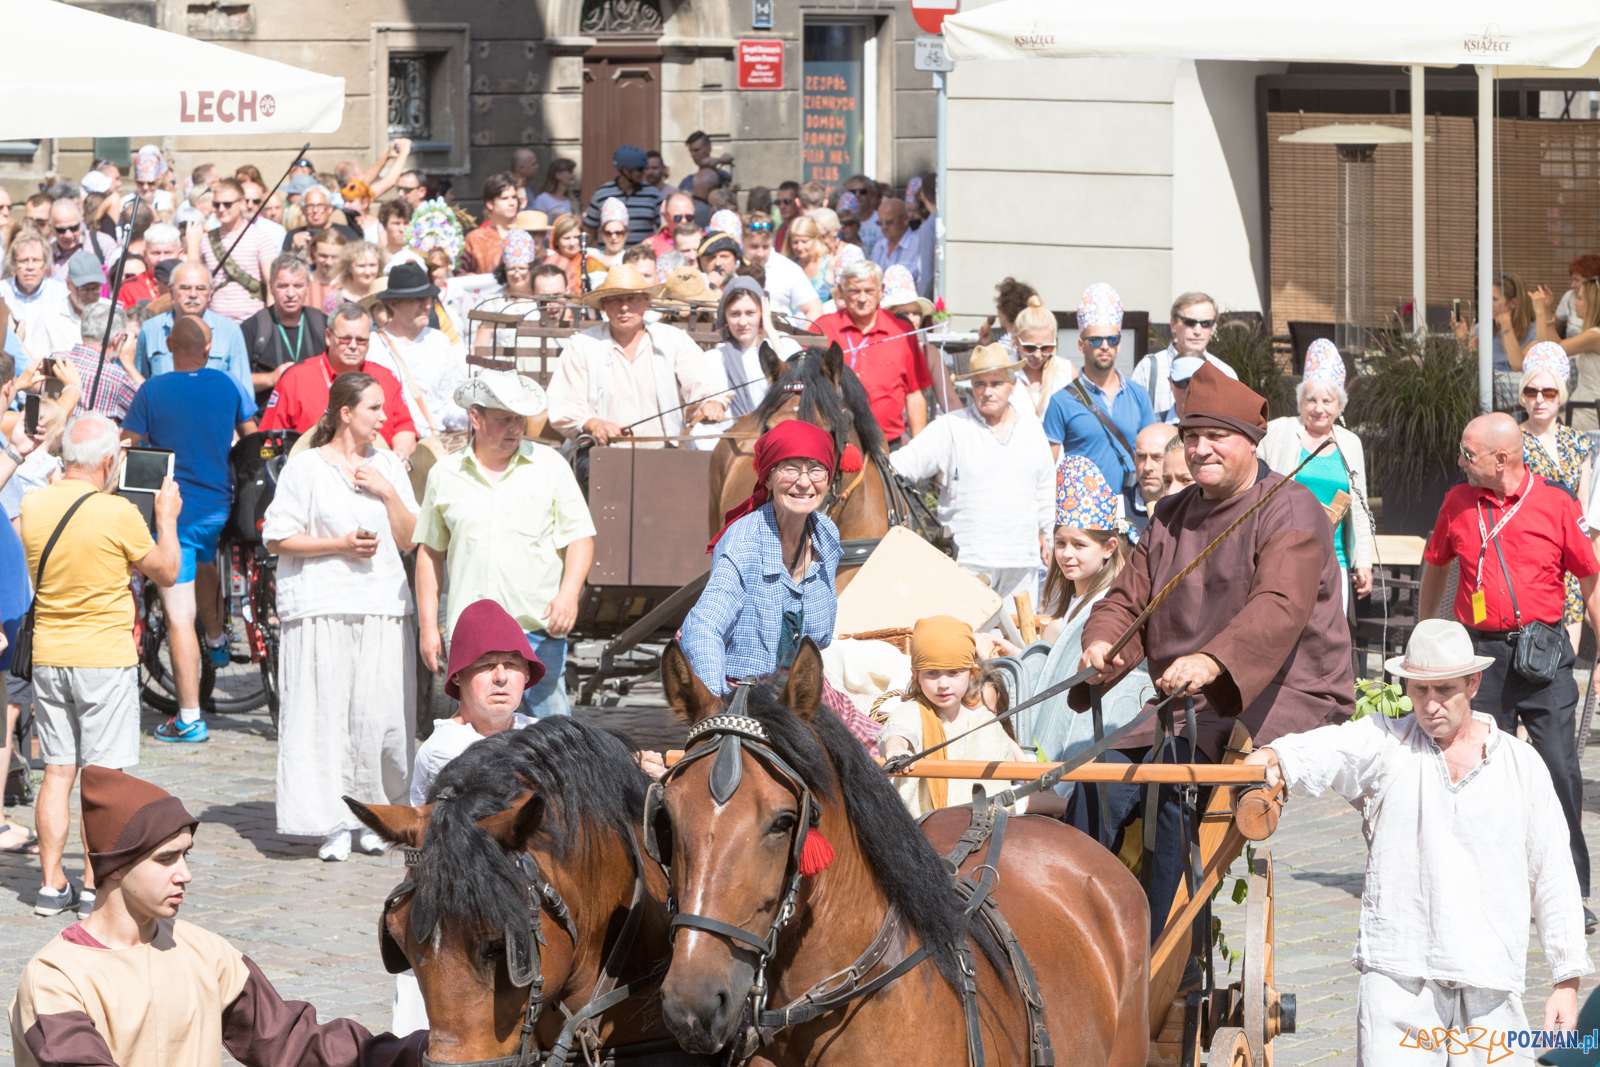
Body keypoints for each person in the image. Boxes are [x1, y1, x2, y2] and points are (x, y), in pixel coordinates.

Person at [1073, 363, 1354, 931]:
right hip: (1188, 704)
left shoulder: (1291, 509)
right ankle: (1085, 934)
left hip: (1279, 691)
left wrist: (1211, 661)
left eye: (1215, 437)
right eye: (1191, 437)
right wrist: (1103, 643)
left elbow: (1278, 607)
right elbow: (1127, 599)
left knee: (1176, 789)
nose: (1200, 449)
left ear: (1251, 441)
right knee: (1096, 780)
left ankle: (1155, 953)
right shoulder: (1172, 513)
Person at [1243, 619, 1591, 1054]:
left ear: (1473, 682)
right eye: (1419, 689)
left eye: (1443, 689)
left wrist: (1566, 981)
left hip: (1490, 982)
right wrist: (1274, 758)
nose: (1430, 704)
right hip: (1399, 974)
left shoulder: (1521, 766)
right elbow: (1328, 749)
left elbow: (1554, 874)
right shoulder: (1386, 744)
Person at [10, 765, 430, 1067]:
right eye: (166, 859)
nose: (185, 874)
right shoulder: (54, 978)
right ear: (115, 867)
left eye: (185, 856)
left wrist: (420, 1054)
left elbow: (292, 1043)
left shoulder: (204, 953)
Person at [1419, 410, 1600, 929]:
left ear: (1502, 459)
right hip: (1479, 656)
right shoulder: (1458, 503)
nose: (1460, 461)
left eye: (1468, 453)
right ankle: (1477, 885)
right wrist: (1425, 631)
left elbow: (1590, 580)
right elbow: (1436, 566)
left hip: (1543, 656)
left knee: (1559, 771)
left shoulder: (1556, 505)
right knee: (1474, 769)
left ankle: (1569, 892)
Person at [21, 414, 182, 915]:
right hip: (103, 656)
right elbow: (168, 572)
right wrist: (168, 518)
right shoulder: (117, 514)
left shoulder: (34, 503)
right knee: (103, 776)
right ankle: (93, 882)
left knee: (57, 771)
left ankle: (50, 885)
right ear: (110, 462)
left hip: (50, 652)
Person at [262, 371, 419, 861]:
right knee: (323, 717)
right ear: (346, 413)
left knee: (379, 717)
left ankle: (374, 815)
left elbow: (411, 537)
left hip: (380, 604)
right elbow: (276, 536)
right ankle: (329, 821)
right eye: (374, 408)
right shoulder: (305, 467)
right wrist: (340, 545)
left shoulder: (389, 463)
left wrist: (387, 491)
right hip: (321, 605)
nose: (384, 417)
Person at [682, 421, 875, 756]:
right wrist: (714, 709)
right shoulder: (745, 540)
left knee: (876, 751)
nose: (804, 482)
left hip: (793, 685)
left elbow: (820, 636)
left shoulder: (825, 534)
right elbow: (705, 625)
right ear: (768, 478)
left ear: (829, 479)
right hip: (739, 686)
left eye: (816, 469)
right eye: (790, 469)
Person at [416, 372, 594, 719]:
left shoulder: (550, 467)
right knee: (477, 747)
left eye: (519, 419)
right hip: (471, 636)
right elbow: (430, 553)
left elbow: (580, 539)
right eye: (503, 420)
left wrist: (569, 594)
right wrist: (427, 627)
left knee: (553, 742)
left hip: (536, 630)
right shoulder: (445, 474)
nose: (514, 428)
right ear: (476, 418)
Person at [120, 316, 259, 743]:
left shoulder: (152, 390)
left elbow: (127, 445)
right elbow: (252, 439)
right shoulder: (228, 385)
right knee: (205, 564)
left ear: (167, 346)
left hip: (172, 513)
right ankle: (217, 640)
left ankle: (188, 717)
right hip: (218, 507)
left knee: (179, 617)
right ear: (209, 346)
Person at [891, 343, 1053, 603]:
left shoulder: (1032, 429)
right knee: (967, 640)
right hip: (967, 562)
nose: (987, 391)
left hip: (1022, 561)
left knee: (1019, 642)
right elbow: (898, 468)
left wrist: (1049, 534)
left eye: (996, 383)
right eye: (980, 384)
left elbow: (1046, 488)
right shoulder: (950, 427)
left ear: (1012, 385)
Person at [1014, 456, 1148, 765]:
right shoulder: (1070, 602)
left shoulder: (1108, 602)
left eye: (1079, 545)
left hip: (1081, 741)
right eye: (1061, 543)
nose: (1066, 554)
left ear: (1109, 548)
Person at [546, 262, 724, 445]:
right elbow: (564, 404)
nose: (624, 307)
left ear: (646, 301)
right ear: (603, 305)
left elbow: (703, 386)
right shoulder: (582, 345)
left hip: (665, 454)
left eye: (632, 299)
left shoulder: (674, 340)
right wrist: (594, 424)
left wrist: (712, 404)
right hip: (600, 452)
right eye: (615, 299)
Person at [1258, 339, 1374, 610]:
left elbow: (1360, 508)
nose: (1319, 408)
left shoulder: (1351, 443)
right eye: (1311, 400)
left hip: (1336, 560)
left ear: (1340, 406)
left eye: (1327, 401)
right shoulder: (1280, 432)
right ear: (1300, 401)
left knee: (1329, 640)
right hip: (1285, 556)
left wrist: (1364, 563)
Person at [879, 616, 1032, 818]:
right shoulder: (914, 711)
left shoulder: (986, 721)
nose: (943, 684)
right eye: (932, 673)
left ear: (972, 674)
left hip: (987, 829)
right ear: (915, 675)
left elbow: (1009, 775)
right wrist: (897, 749)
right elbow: (898, 732)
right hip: (924, 831)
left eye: (953, 672)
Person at [258, 304, 419, 463]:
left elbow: (404, 428)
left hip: (376, 477)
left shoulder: (386, 377)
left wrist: (400, 453)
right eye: (345, 339)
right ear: (328, 336)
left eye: (361, 340)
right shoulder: (295, 378)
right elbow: (269, 441)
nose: (353, 346)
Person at [1516, 343, 1594, 650]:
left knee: (1567, 663)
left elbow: (1584, 509)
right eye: (1531, 391)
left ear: (1561, 394)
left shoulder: (1577, 442)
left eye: (1548, 392)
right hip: (1531, 564)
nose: (1539, 400)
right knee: (1532, 661)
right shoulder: (1513, 439)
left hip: (1570, 564)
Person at [1042, 283, 1155, 492]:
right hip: (1081, 514)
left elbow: (1155, 455)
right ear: (1081, 345)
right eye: (1095, 340)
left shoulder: (1138, 395)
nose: (1105, 346)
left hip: (1131, 511)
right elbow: (1047, 470)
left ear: (1119, 344)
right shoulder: (1061, 401)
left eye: (1112, 339)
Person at [815, 259, 932, 444]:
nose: (862, 299)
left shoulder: (901, 330)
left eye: (869, 291)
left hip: (887, 442)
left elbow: (914, 393)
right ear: (842, 291)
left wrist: (920, 447)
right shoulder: (822, 328)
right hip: (834, 441)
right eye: (854, 291)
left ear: (881, 291)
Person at [371, 262, 467, 437]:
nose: (426, 305)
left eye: (427, 298)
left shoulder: (439, 341)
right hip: (391, 444)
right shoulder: (373, 347)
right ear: (393, 304)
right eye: (416, 299)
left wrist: (477, 414)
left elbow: (447, 402)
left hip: (434, 443)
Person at [133, 261, 253, 400]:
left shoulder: (230, 332)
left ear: (210, 293)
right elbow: (140, 386)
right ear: (171, 291)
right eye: (185, 288)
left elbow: (244, 393)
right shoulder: (150, 330)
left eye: (201, 288)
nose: (193, 294)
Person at [1129, 292, 1240, 424]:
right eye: (1190, 322)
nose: (1198, 331)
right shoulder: (1148, 368)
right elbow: (1133, 422)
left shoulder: (1225, 373)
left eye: (1206, 323)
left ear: (1212, 328)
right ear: (1173, 324)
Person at [705, 276, 802, 419]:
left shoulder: (786, 346)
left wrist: (770, 329)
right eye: (734, 314)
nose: (743, 322)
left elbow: (795, 380)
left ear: (762, 314)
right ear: (725, 317)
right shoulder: (713, 359)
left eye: (750, 313)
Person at [241, 255, 328, 410]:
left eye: (298, 286)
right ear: (271, 287)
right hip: (268, 424)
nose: (290, 293)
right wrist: (272, 378)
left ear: (308, 287)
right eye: (283, 286)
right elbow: (237, 381)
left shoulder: (323, 324)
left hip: (316, 423)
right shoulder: (253, 327)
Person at [194, 179, 277, 324]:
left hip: (253, 324)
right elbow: (196, 281)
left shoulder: (260, 238)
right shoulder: (206, 240)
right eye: (216, 204)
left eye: (227, 204)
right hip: (215, 324)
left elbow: (272, 284)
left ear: (242, 204)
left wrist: (272, 324)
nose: (221, 209)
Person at [1458, 272, 1536, 412]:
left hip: (1515, 401)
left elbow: (1518, 365)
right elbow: (1468, 364)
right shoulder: (1481, 328)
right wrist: (1462, 340)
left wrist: (1506, 327)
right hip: (1481, 396)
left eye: (1494, 299)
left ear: (1513, 303)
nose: (1488, 304)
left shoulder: (1533, 332)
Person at [58, 300, 142, 424]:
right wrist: (129, 365)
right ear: (117, 339)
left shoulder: (57, 359)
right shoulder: (116, 377)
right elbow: (154, 409)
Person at [1535, 274, 1600, 431]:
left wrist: (1539, 312)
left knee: (1534, 429)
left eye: (1579, 298)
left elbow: (1547, 351)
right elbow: (1556, 345)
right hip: (1582, 409)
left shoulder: (1594, 336)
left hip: (1588, 414)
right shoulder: (1593, 335)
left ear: (1592, 304)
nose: (1575, 303)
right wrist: (1546, 308)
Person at [1007, 294, 1073, 419]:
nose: (1037, 355)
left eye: (1046, 348)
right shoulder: (1004, 371)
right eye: (1029, 348)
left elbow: (1087, 414)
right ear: (1016, 341)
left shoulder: (1067, 372)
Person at [3, 233, 70, 356]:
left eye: (36, 260)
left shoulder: (61, 292)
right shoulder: (2, 291)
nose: (30, 267)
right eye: (23, 260)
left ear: (46, 263)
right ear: (13, 263)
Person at [583, 145, 660, 246]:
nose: (643, 173)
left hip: (641, 258)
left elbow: (662, 228)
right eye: (640, 169)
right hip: (609, 259)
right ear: (625, 170)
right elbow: (589, 231)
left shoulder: (652, 194)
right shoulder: (602, 194)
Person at [460, 172, 522, 276]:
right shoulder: (475, 238)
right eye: (505, 198)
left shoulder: (524, 234)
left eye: (514, 197)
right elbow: (461, 273)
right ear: (490, 204)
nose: (512, 203)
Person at [48, 198, 118, 286]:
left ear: (81, 222)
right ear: (51, 228)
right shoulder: (46, 256)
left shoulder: (103, 243)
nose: (68, 235)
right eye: (61, 230)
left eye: (74, 228)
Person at [1128, 423, 1178, 531]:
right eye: (1141, 456)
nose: (1147, 467)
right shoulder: (1116, 508)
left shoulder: (1191, 508)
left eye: (1157, 457)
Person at [868, 198, 919, 292]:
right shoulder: (879, 246)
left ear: (905, 219)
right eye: (880, 223)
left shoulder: (918, 245)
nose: (884, 227)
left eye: (888, 222)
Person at [784, 215, 833, 305]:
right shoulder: (789, 266)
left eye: (804, 241)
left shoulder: (830, 264)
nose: (799, 247)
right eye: (795, 242)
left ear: (817, 239)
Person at [324, 240, 383, 313]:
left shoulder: (386, 296)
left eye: (372, 265)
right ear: (349, 267)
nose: (367, 272)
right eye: (361, 266)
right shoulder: (335, 298)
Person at [1554, 254, 1600, 338]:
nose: (1572, 285)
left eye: (1577, 280)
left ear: (1593, 280)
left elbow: (1560, 346)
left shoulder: (1594, 334)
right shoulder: (1569, 296)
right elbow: (1554, 325)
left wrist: (1541, 310)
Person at [306, 228, 348, 312]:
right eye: (323, 256)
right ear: (314, 251)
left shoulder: (350, 285)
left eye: (335, 257)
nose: (329, 262)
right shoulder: (302, 284)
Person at [648, 192, 698, 259]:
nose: (684, 221)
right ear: (666, 216)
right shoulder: (652, 244)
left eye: (689, 217)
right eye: (678, 218)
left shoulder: (705, 239)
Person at [543, 215, 584, 295]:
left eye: (576, 237)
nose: (572, 243)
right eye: (567, 238)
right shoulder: (548, 262)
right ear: (556, 241)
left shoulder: (591, 263)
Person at [592, 197, 631, 270]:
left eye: (619, 233)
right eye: (608, 233)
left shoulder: (632, 258)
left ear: (626, 234)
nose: (613, 237)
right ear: (602, 234)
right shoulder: (592, 254)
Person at [376, 198, 414, 267]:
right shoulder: (377, 258)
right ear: (384, 225)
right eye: (396, 223)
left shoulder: (418, 255)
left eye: (406, 223)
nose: (402, 229)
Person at [772, 181, 802, 251]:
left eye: (787, 202)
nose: (782, 206)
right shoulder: (780, 232)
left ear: (798, 202)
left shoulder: (805, 230)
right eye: (778, 202)